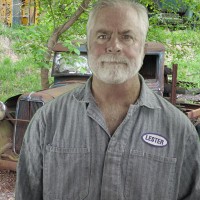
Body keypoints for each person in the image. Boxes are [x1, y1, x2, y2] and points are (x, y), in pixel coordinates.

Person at [15, 0, 200, 199]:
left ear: (144, 48)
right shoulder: (47, 121)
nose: (114, 46)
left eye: (127, 36)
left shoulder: (179, 130)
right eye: (103, 36)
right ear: (88, 45)